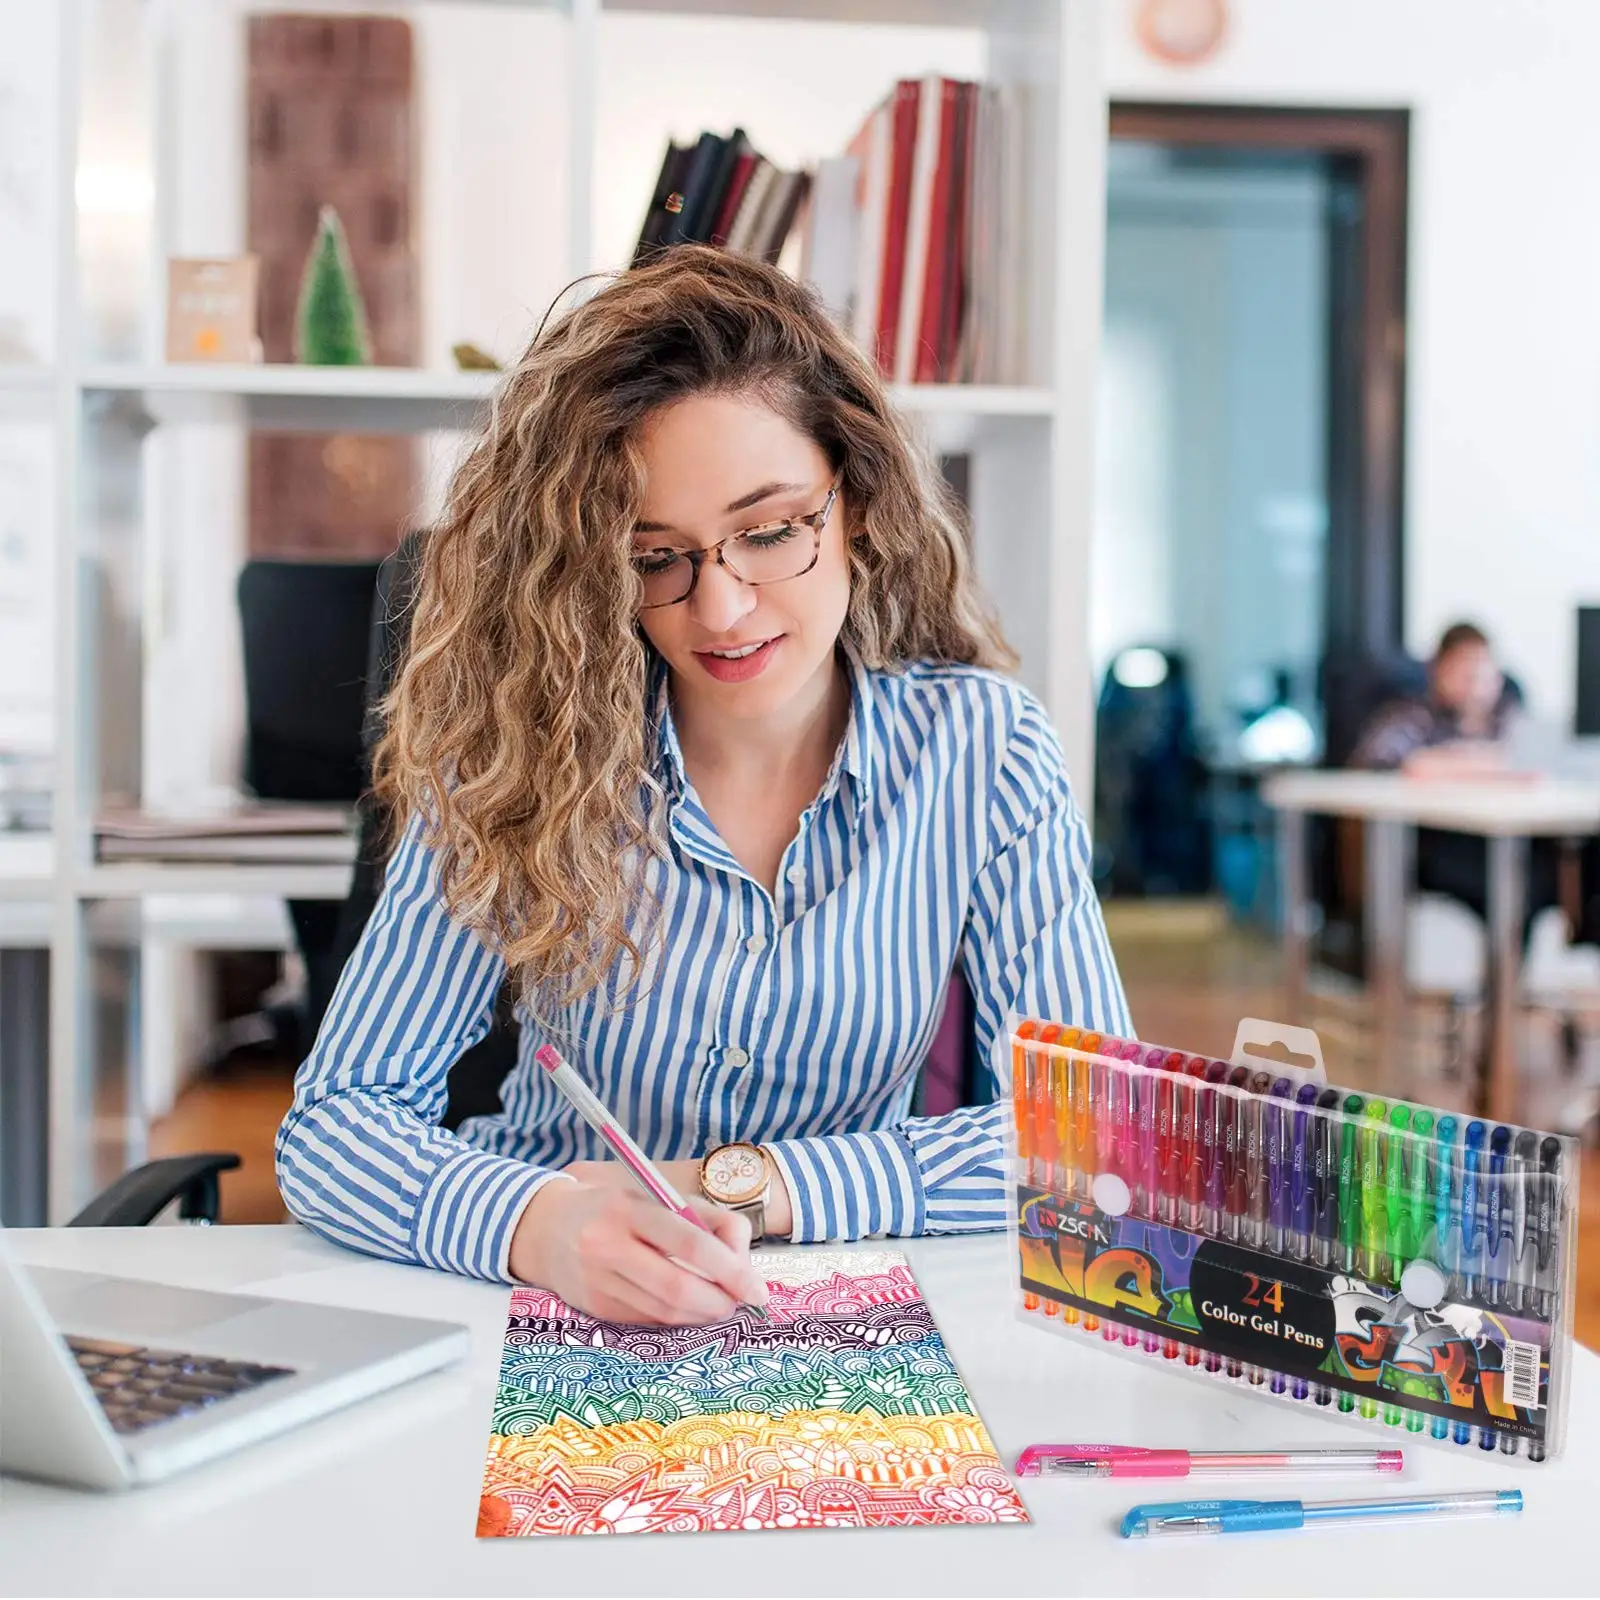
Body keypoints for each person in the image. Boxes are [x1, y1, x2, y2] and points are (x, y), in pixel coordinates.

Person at [275, 245, 1131, 1327]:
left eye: (767, 532)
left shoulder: (984, 752)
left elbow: (1094, 1133)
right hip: (542, 1305)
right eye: (656, 556)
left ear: (855, 501)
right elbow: (336, 1125)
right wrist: (535, 1223)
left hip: (834, 1314)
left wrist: (746, 1186)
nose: (720, 609)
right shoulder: (517, 753)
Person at [1350, 621, 1563, 938]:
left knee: (1559, 874)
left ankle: (1506, 981)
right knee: (1512, 881)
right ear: (1439, 671)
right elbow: (1390, 764)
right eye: (1464, 672)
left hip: (1512, 838)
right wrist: (1483, 764)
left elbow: (1537, 766)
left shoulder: (1511, 717)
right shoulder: (1413, 716)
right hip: (1441, 845)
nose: (1475, 683)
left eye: (1483, 672)